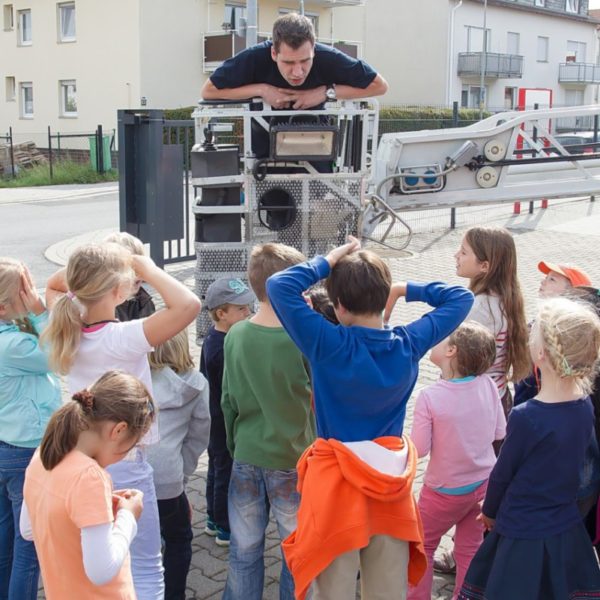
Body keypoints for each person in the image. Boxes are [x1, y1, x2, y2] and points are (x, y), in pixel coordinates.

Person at [266, 235, 474, 600]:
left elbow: (279, 285)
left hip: (336, 487)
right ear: (382, 300)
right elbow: (461, 297)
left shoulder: (327, 344)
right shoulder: (408, 344)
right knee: (386, 589)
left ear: (340, 307)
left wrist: (328, 260)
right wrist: (405, 288)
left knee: (334, 587)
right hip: (389, 485)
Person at [42, 243, 201, 600]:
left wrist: (97, 264)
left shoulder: (65, 324)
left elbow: (55, 286)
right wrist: (145, 267)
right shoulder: (123, 338)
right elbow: (189, 305)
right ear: (118, 289)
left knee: (96, 558)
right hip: (125, 463)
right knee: (144, 565)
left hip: (83, 456)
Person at [458, 298, 600, 600]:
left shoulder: (527, 416)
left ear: (540, 353)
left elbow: (502, 474)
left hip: (521, 530)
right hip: (564, 526)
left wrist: (490, 511)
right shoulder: (584, 406)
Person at [220, 243, 316, 600]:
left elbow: (227, 400)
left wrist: (235, 445)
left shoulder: (236, 335)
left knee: (244, 550)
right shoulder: (302, 338)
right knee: (296, 551)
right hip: (294, 459)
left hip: (247, 452)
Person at [21, 371, 155, 600]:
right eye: (131, 446)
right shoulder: (90, 477)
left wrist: (94, 512)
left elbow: (28, 529)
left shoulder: (44, 454)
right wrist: (127, 517)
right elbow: (101, 571)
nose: (126, 455)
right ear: (119, 430)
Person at [201, 12, 388, 164]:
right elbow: (209, 91)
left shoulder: (328, 57)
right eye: (289, 62)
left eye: (305, 61)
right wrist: (262, 90)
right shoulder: (254, 58)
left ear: (314, 49)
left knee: (318, 208)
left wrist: (325, 93)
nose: (298, 72)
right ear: (274, 53)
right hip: (266, 158)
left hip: (317, 152)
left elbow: (379, 85)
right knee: (271, 210)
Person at [408, 321, 506, 600]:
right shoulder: (488, 385)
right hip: (482, 486)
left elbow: (419, 448)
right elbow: (500, 431)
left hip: (442, 492)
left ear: (451, 351)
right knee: (470, 548)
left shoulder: (430, 397)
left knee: (421, 546)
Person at [0, 259, 61, 600]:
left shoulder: (9, 331)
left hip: (6, 445)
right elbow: (55, 354)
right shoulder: (13, 345)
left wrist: (27, 309)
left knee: (6, 540)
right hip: (25, 452)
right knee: (28, 546)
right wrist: (41, 311)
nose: (32, 295)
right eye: (25, 291)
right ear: (4, 306)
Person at [146, 329, 210, 600]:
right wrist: (182, 476)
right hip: (169, 477)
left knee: (137, 542)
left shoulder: (133, 379)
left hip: (130, 474)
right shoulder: (196, 384)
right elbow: (198, 436)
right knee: (179, 539)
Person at [199, 277, 255, 548]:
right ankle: (224, 526)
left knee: (216, 466)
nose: (249, 313)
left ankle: (211, 517)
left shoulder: (214, 338)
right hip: (222, 420)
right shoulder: (221, 347)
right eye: (242, 309)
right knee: (225, 470)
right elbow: (230, 389)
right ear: (221, 313)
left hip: (214, 418)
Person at [454, 226, 529, 418]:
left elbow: (456, 358)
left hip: (473, 405)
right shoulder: (506, 299)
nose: (456, 255)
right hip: (499, 394)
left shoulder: (479, 308)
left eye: (463, 252)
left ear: (484, 266)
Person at [514, 259, 592, 405]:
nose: (543, 282)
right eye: (546, 277)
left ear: (572, 292)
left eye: (552, 280)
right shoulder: (538, 322)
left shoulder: (570, 336)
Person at [104, 232, 156, 321]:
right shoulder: (104, 306)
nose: (135, 274)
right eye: (128, 268)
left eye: (138, 266)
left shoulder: (144, 301)